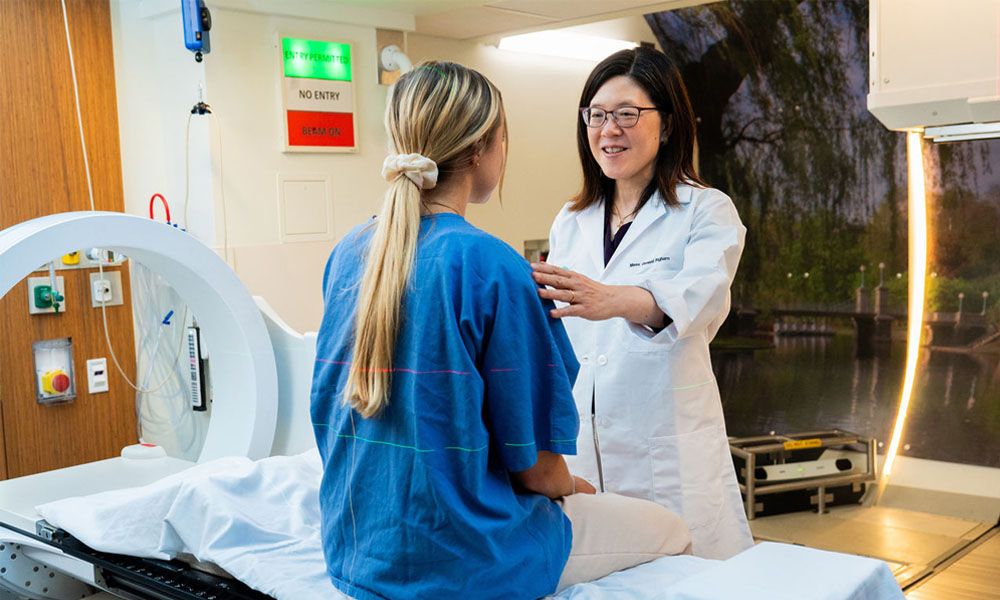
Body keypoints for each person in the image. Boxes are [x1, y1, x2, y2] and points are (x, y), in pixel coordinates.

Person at [310, 61, 691, 600]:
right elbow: (534, 468)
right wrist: (570, 489)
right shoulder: (490, 265)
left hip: (357, 550)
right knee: (671, 529)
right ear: (478, 151)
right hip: (464, 563)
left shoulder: (349, 254)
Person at [531, 47, 754, 560]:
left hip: (669, 448)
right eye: (597, 114)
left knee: (690, 579)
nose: (609, 129)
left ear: (668, 123)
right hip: (588, 443)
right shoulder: (573, 218)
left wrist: (612, 300)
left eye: (627, 114)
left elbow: (698, 300)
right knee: (604, 575)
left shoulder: (706, 210)